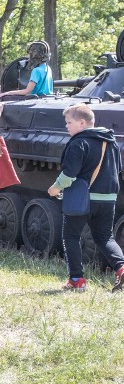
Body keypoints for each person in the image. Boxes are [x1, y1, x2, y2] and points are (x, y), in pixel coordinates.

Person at [47, 104, 124, 292]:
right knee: (105, 237)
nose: (66, 126)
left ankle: (77, 280)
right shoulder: (111, 142)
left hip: (82, 199)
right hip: (108, 198)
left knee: (71, 237)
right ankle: (121, 268)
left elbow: (69, 175)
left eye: (69, 122)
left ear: (82, 122)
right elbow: (118, 169)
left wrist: (55, 188)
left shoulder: (78, 142)